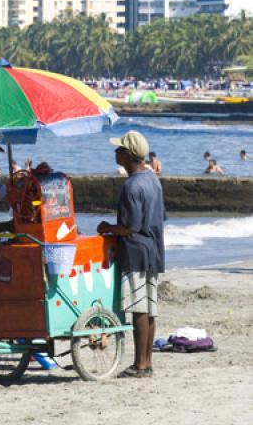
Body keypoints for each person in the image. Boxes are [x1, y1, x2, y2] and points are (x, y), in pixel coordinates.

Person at [97, 130, 166, 379]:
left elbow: (130, 227)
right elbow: (159, 218)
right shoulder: (152, 180)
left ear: (127, 155)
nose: (115, 152)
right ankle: (147, 362)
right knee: (149, 308)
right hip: (154, 249)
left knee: (139, 309)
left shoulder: (131, 186)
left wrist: (107, 228)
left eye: (119, 149)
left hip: (136, 251)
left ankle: (139, 364)